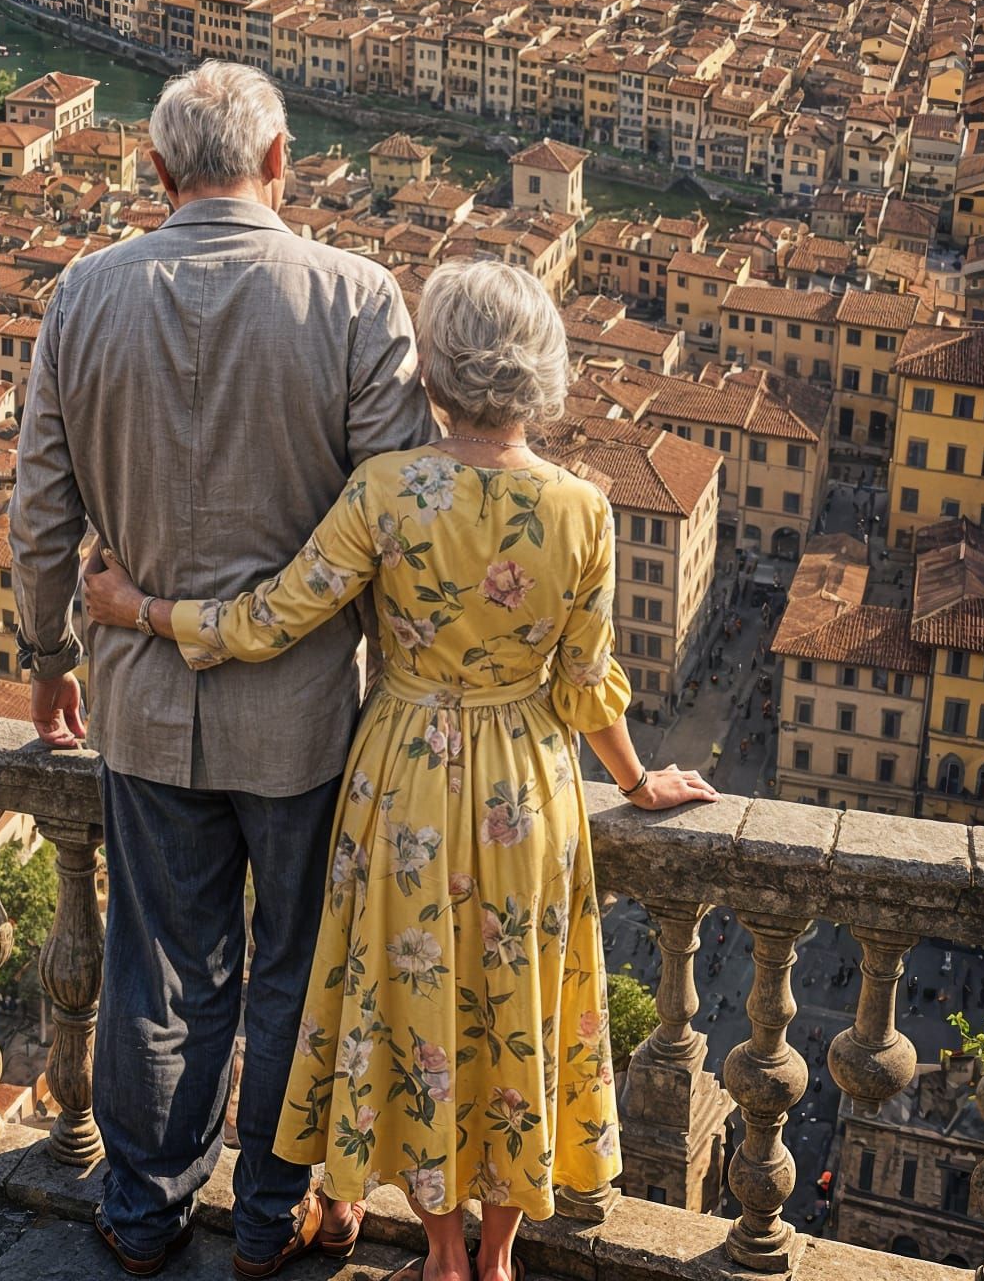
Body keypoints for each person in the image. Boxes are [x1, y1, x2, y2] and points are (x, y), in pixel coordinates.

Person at [86, 261, 718, 1281]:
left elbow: (271, 619)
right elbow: (586, 686)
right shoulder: (582, 510)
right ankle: (497, 1259)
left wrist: (143, 611)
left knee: (414, 1004)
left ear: (433, 371)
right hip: (527, 790)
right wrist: (639, 783)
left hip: (403, 784)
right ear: (543, 371)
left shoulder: (386, 492)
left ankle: (442, 1252)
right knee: (515, 1007)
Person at [10, 60, 432, 1278]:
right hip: (305, 720)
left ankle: (144, 1213)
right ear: (280, 161)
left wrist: (46, 656)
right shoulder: (356, 298)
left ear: (157, 170)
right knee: (296, 968)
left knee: (160, 972)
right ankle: (271, 1213)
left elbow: (40, 517)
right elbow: (399, 526)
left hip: (141, 707)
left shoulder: (84, 295)